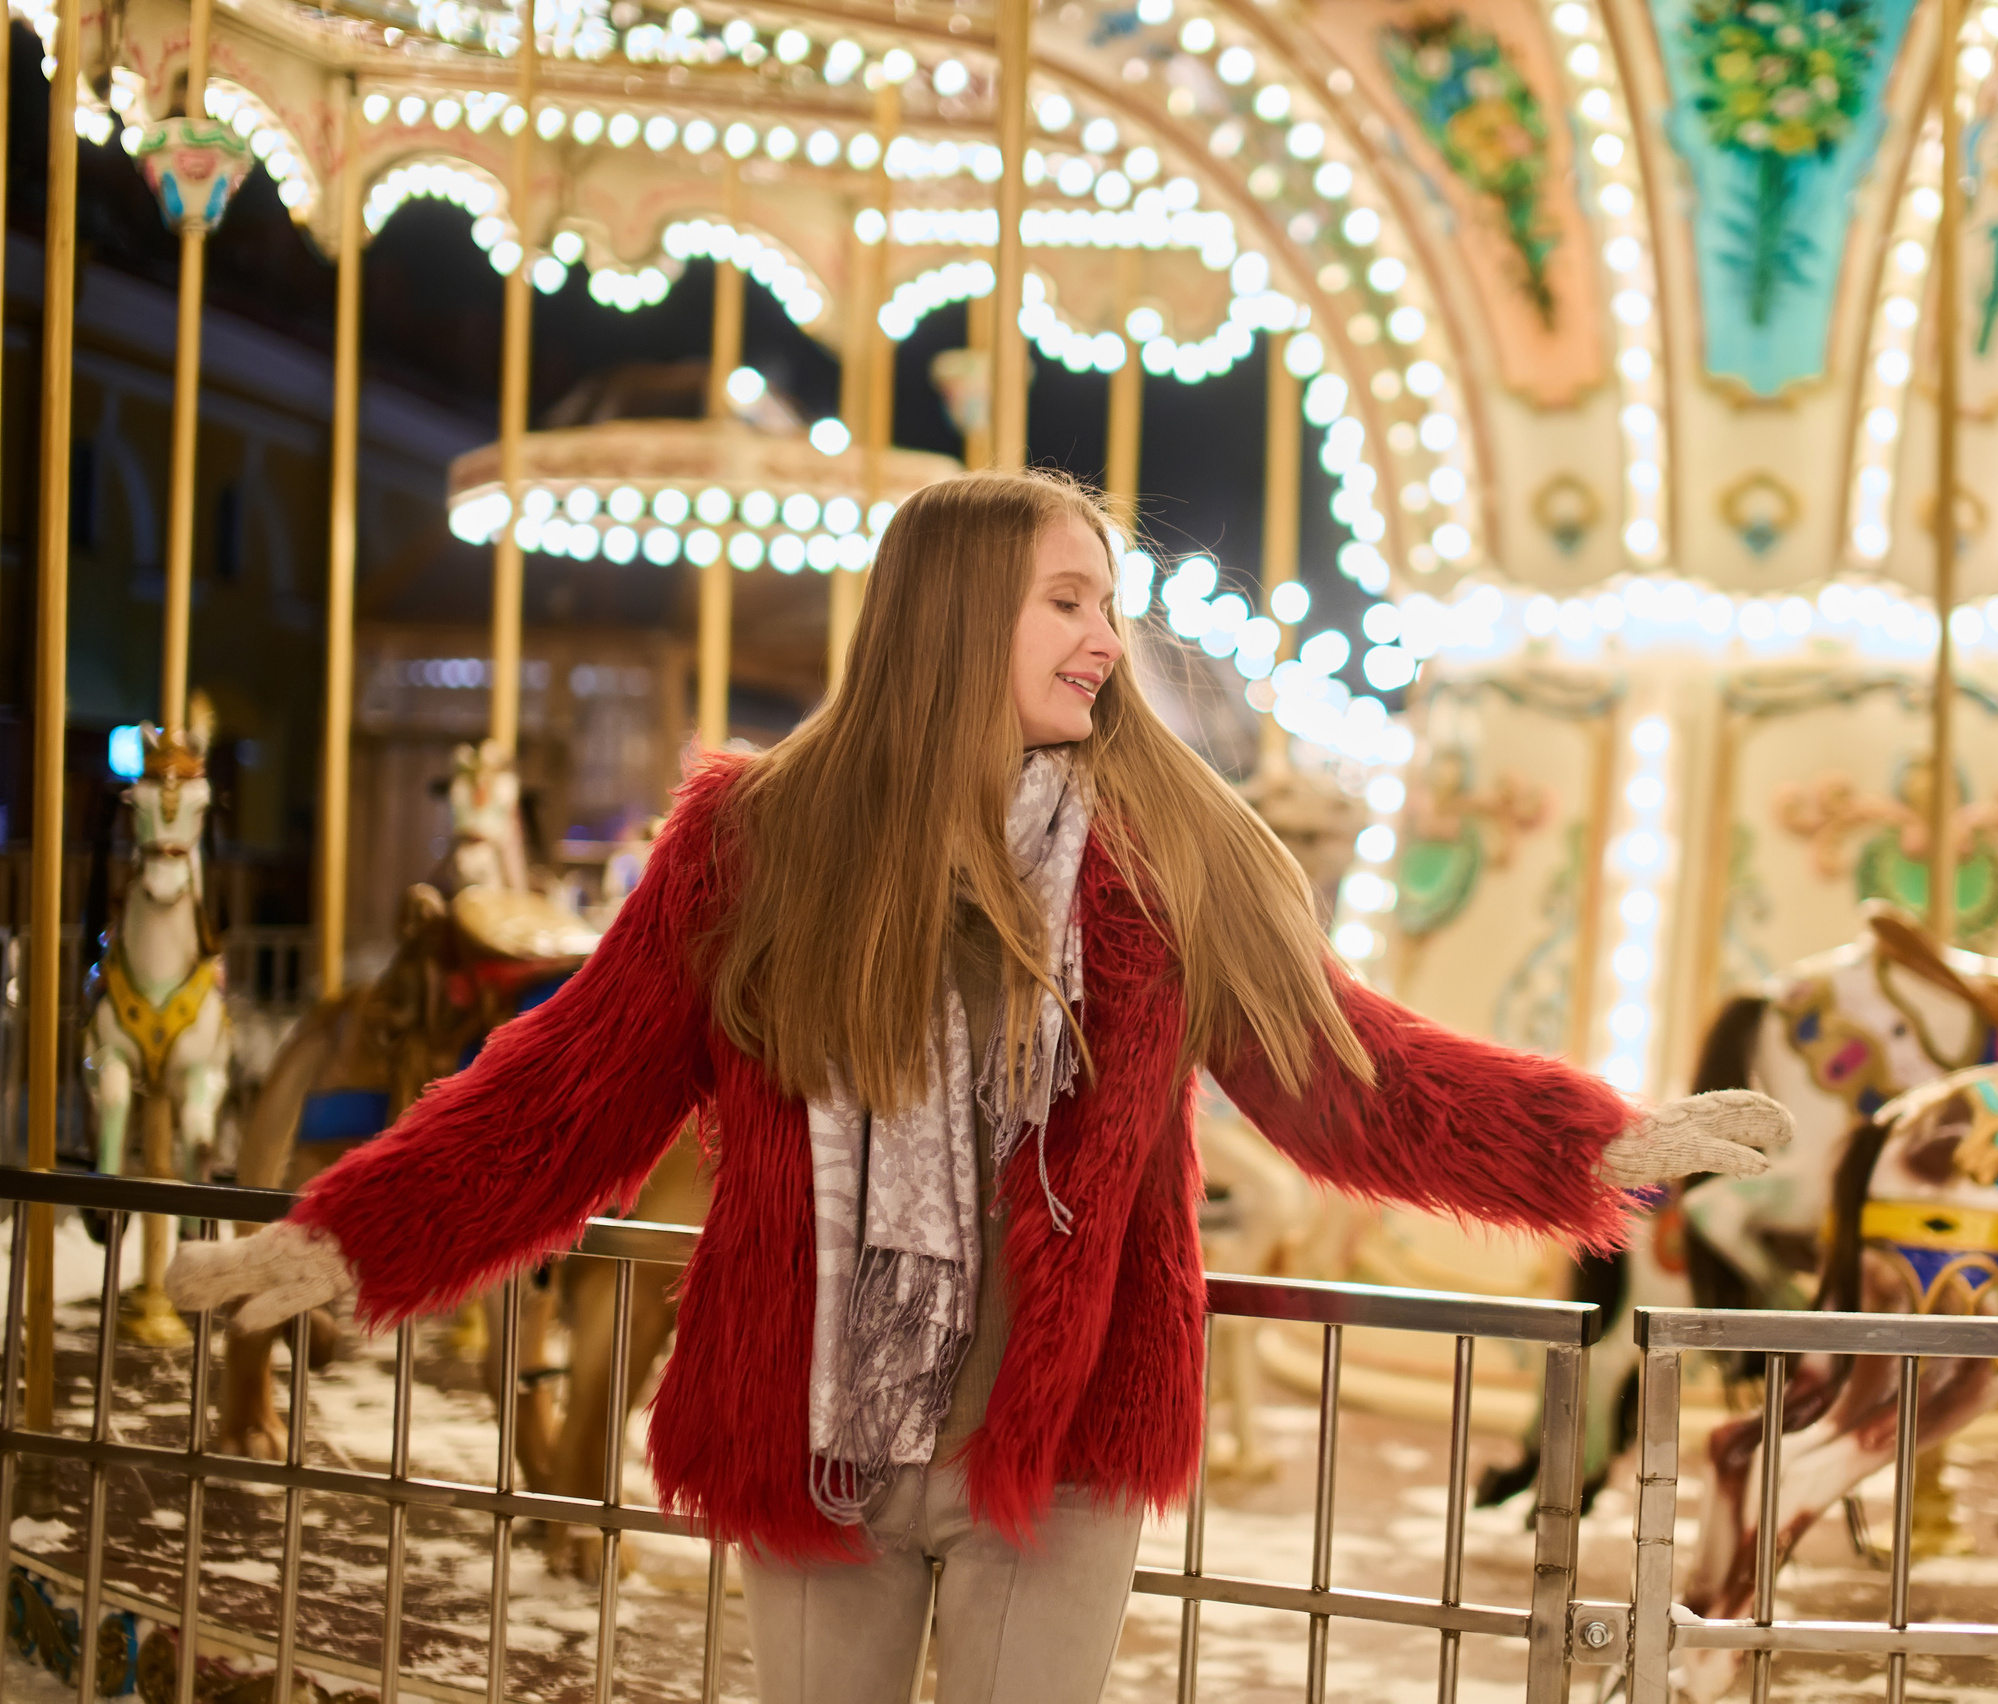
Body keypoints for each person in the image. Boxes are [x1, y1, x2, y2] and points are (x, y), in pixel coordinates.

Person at [171, 469, 1788, 1704]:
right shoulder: (754, 845)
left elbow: (1345, 1073)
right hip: (817, 1434)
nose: (1107, 639)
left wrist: (1601, 1137)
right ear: (953, 617)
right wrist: (342, 1240)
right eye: (1068, 602)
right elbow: (566, 1091)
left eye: (1108, 603)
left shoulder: (1170, 855)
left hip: (1062, 1435)